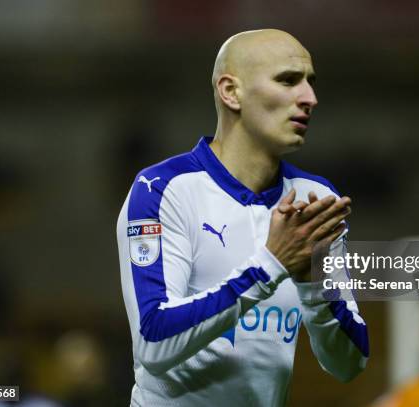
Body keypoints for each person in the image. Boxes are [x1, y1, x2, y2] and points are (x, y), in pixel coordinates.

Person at [116, 29, 369, 407]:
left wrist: (313, 284)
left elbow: (349, 364)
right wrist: (270, 266)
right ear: (230, 91)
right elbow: (153, 341)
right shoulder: (162, 189)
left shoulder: (316, 199)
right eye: (288, 80)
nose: (309, 98)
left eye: (310, 83)